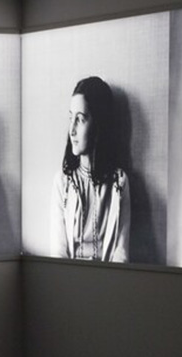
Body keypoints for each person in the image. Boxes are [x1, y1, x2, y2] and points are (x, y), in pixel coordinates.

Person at [50, 76, 130, 262]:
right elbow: (58, 253)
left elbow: (121, 253)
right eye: (71, 118)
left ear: (98, 124)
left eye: (80, 119)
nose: (72, 130)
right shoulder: (62, 182)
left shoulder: (119, 182)